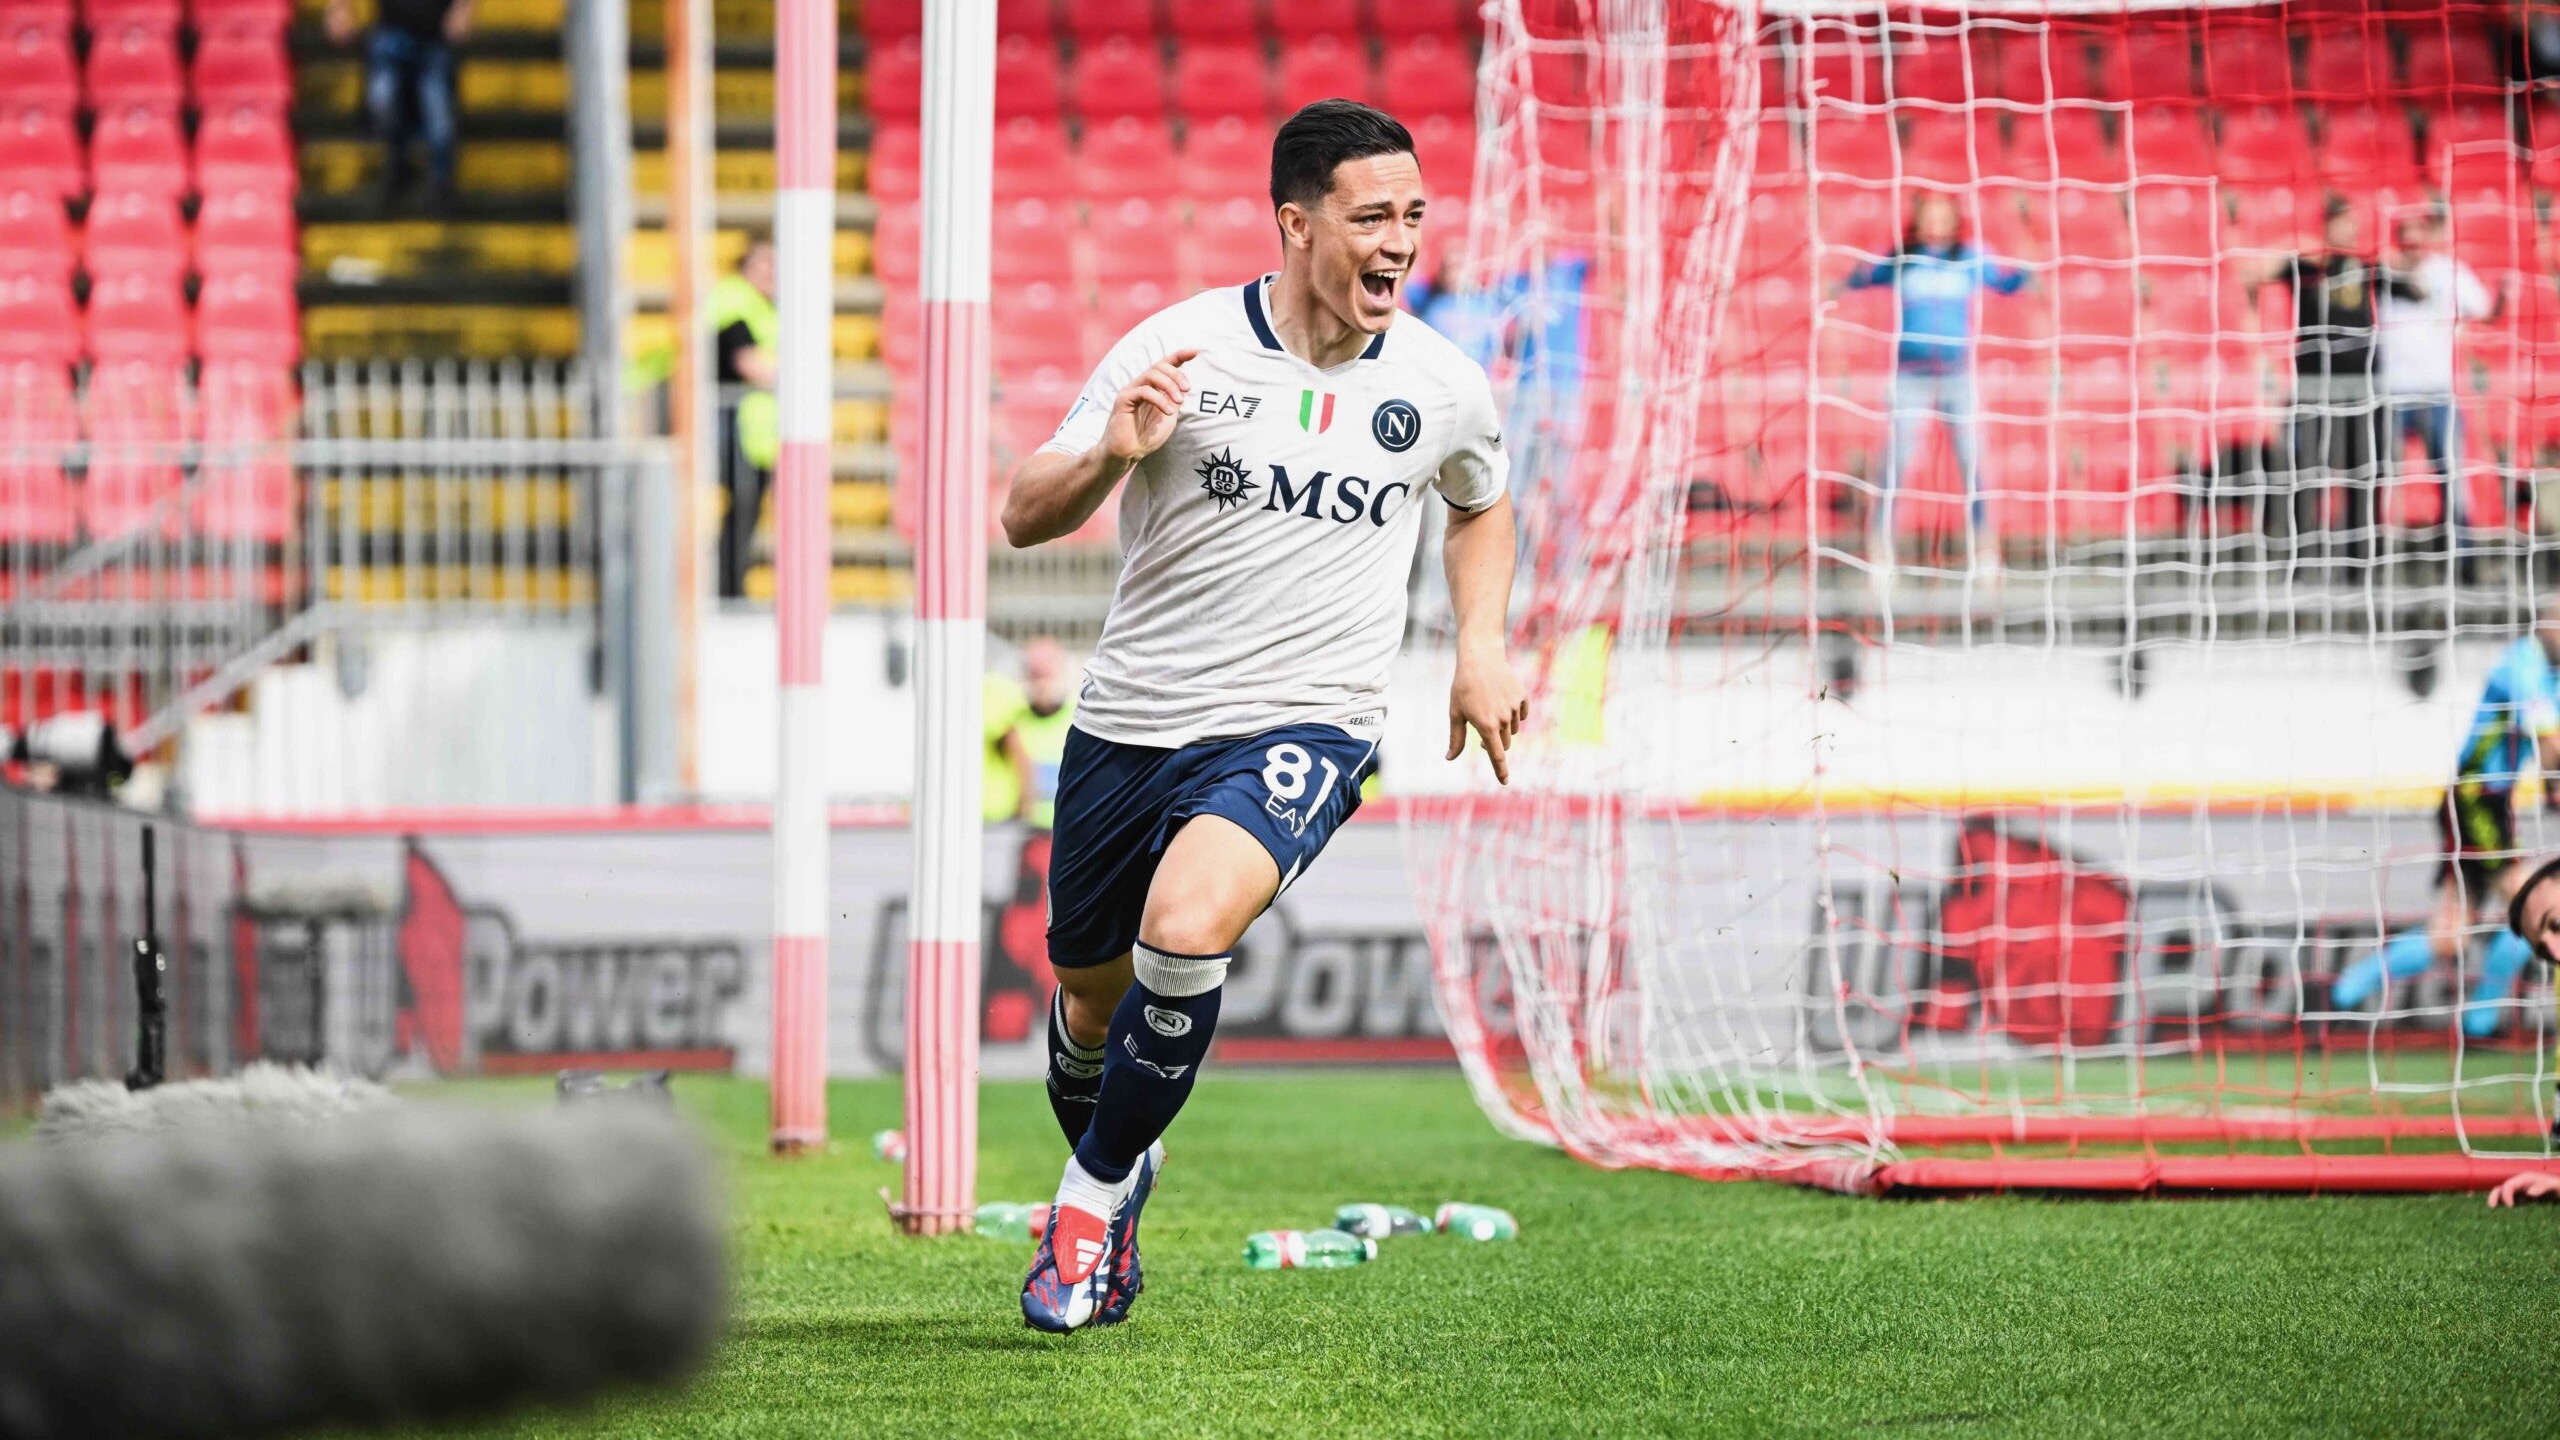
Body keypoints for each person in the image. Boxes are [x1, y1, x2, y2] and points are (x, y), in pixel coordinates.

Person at [999, 99, 1525, 1332]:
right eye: (1371, 217)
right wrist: (1111, 453)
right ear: (1296, 224)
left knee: (1186, 928)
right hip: (1131, 722)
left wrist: (1480, 647)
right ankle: (1120, 1173)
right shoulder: (1179, 348)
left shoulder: (1443, 384)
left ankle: (1083, 1211)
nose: (1399, 242)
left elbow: (1480, 502)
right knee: (1088, 1005)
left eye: (1413, 216)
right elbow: (1024, 513)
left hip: (1310, 721)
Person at [2332, 600, 2560, 1036]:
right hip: (2476, 799)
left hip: (2490, 802)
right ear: (2547, 624)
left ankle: (2343, 993)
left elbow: (2550, 760)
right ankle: (2481, 1021)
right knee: (2538, 906)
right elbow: (2551, 745)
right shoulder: (2523, 665)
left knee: (2449, 936)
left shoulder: (2552, 675)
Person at [1832, 192, 2028, 584]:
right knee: (1895, 464)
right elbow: (1858, 279)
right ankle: (1881, 553)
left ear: (1954, 220)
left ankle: (1984, 551)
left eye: (1942, 215)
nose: (1935, 222)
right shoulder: (1902, 259)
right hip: (1910, 377)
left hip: (1957, 374)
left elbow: (2006, 284)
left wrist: (2029, 261)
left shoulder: (1969, 257)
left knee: (1972, 461)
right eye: (1929, 215)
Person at [2248, 196, 2425, 570]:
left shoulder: (2367, 267)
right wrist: (2294, 248)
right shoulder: (2307, 266)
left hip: (2363, 393)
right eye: (2343, 222)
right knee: (2305, 475)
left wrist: (2402, 261)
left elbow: (2417, 290)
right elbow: (2253, 272)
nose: (2351, 229)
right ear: (2327, 225)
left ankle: (2361, 564)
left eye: (2353, 223)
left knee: (2364, 475)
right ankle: (2301, 562)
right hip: (2315, 391)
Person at [2377, 206, 2501, 558]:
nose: (2412, 240)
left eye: (2419, 232)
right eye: (2406, 233)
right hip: (2390, 394)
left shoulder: (2450, 273)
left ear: (2429, 235)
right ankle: (2381, 556)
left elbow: (2487, 311)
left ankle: (2463, 558)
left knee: (2450, 474)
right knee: (2381, 475)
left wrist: (2506, 295)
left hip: (2437, 392)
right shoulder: (2383, 273)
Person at [325, 0, 470, 211]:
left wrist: (463, 9)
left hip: (434, 36)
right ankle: (398, 163)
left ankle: (441, 182)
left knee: (439, 117)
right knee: (383, 102)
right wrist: (339, 10)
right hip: (391, 32)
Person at [712, 234, 780, 600]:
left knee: (745, 513)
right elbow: (748, 361)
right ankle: (725, 590)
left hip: (753, 432)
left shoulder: (763, 306)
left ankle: (730, 588)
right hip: (730, 426)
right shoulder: (734, 300)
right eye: (764, 262)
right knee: (740, 511)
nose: (772, 271)